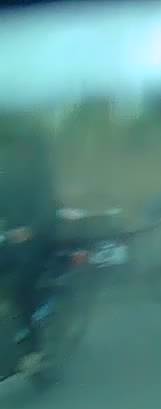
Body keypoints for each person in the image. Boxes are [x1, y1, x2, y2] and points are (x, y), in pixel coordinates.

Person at [0, 118, 61, 372]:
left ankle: (33, 350)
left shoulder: (38, 173)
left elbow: (48, 209)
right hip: (11, 240)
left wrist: (30, 230)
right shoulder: (5, 176)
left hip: (40, 239)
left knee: (20, 285)